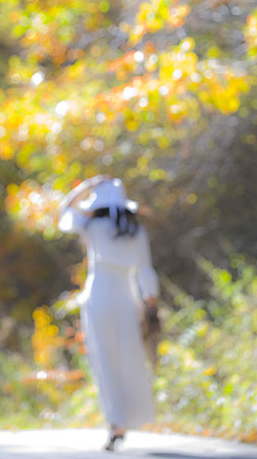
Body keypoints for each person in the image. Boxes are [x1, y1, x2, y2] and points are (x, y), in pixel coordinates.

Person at [58, 175, 159, 451]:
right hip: (129, 295)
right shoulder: (136, 230)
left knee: (105, 359)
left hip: (100, 293)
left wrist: (82, 188)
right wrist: (151, 301)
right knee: (130, 355)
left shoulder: (92, 226)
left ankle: (116, 422)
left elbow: (64, 214)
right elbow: (145, 269)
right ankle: (133, 416)